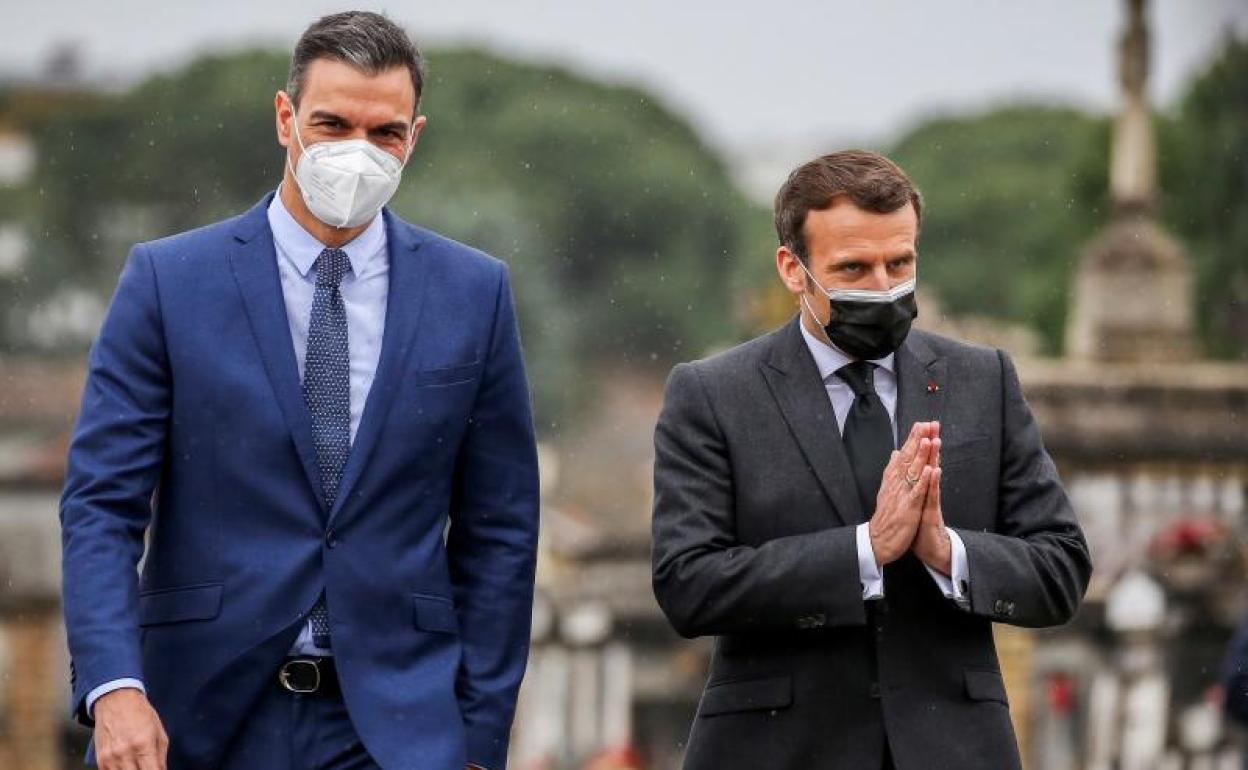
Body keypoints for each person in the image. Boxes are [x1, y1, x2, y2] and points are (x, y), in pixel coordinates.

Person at [59, 11, 539, 770]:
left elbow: (502, 531)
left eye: (384, 133)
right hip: (193, 716)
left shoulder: (473, 293)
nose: (357, 151)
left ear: (414, 136)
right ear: (286, 119)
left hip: (396, 729)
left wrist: (478, 739)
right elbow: (101, 505)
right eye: (332, 122)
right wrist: (115, 688)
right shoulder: (169, 281)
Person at [650, 150, 1092, 770]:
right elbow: (687, 583)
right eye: (854, 268)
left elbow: (1062, 569)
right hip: (776, 748)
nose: (884, 288)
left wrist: (947, 552)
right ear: (793, 269)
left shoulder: (981, 380)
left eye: (900, 263)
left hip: (954, 749)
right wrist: (863, 550)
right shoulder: (714, 394)